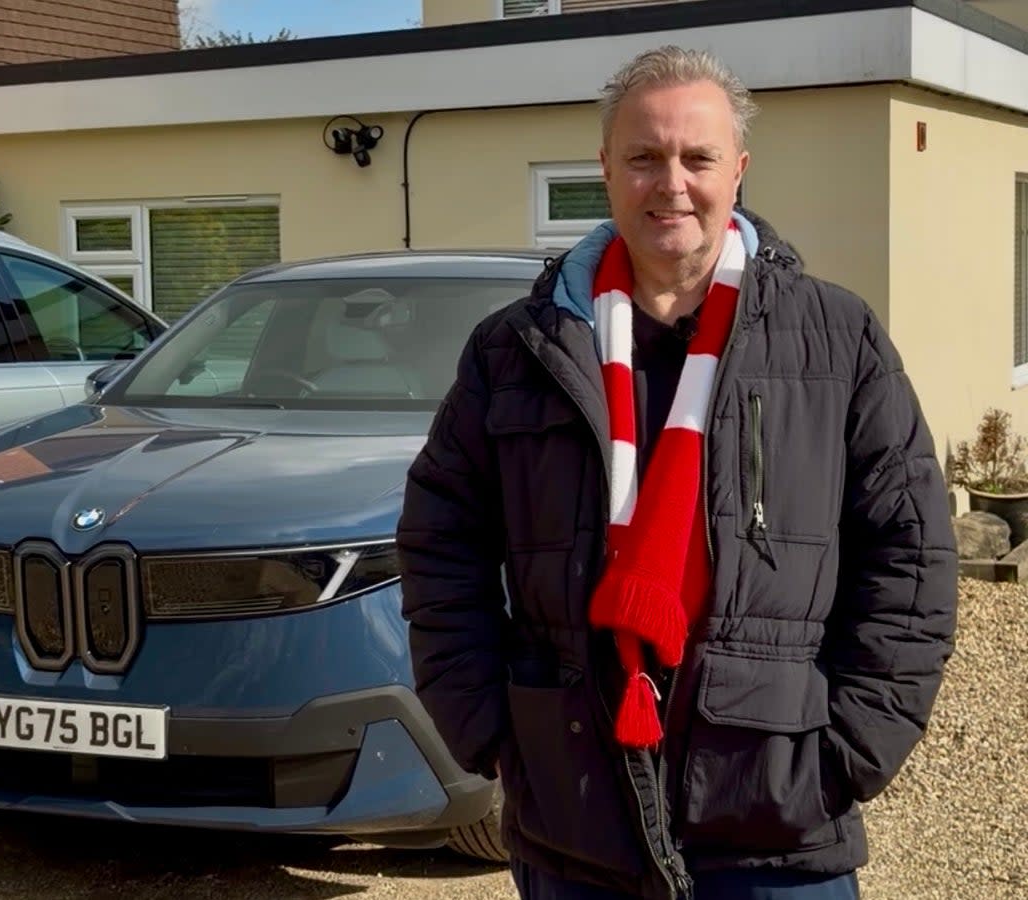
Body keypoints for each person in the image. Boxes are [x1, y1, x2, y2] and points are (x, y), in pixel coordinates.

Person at [395, 46, 957, 900]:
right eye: (644, 157)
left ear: (739, 170)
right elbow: (441, 540)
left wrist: (846, 756)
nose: (672, 184)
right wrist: (491, 732)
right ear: (606, 170)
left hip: (778, 825)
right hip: (575, 819)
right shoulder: (517, 350)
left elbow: (910, 555)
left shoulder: (838, 339)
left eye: (697, 158)